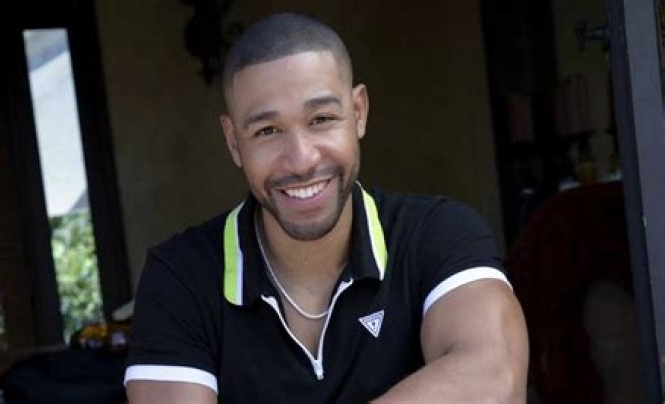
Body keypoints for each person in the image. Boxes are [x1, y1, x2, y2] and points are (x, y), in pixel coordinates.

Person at [124, 12, 528, 403]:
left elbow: (494, 380)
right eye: (267, 130)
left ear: (358, 112)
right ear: (233, 142)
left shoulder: (438, 233)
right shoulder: (180, 277)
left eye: (320, 119)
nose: (301, 160)